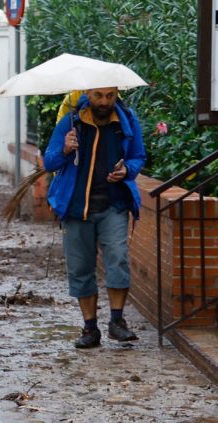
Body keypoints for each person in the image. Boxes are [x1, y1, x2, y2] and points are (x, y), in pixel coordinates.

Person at [42, 86, 146, 349]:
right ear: (89, 93)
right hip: (76, 208)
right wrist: (65, 149)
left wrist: (127, 170)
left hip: (114, 204)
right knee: (80, 268)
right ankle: (90, 328)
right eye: (99, 96)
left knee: (118, 260)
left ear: (116, 94)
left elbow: (137, 157)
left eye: (110, 96)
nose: (104, 102)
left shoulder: (127, 121)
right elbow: (49, 162)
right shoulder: (71, 122)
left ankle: (117, 322)